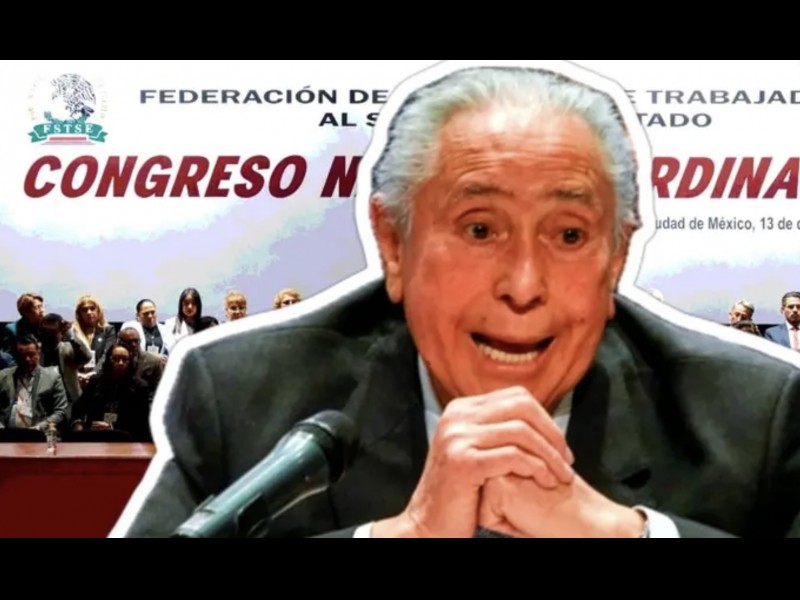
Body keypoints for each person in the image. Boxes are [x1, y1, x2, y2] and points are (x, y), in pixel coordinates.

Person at [116, 63, 800, 538]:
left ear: (617, 255)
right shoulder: (244, 399)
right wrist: (406, 533)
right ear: (393, 243)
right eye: (479, 230)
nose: (523, 286)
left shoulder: (752, 420)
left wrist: (621, 534)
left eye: (569, 234)